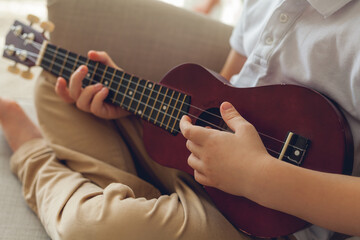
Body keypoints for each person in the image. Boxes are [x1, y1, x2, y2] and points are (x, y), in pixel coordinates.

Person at [1, 0, 360, 240]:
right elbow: (227, 91)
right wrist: (132, 103)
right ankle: (139, 199)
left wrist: (255, 175)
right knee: (59, 85)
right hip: (202, 161)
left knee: (91, 228)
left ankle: (33, 154)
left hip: (266, 220)